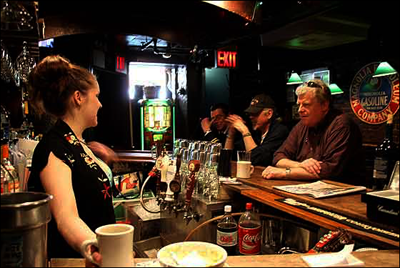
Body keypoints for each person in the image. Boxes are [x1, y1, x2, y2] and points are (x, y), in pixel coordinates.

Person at [27, 55, 118, 265]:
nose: (100, 104)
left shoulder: (76, 142)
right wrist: (94, 247)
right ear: (78, 97)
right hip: (77, 261)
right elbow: (66, 218)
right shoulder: (54, 148)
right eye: (96, 96)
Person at [262, 79, 366, 186]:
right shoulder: (302, 125)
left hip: (345, 195)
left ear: (324, 105)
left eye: (306, 105)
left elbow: (327, 170)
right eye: (299, 105)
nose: (300, 110)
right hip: (311, 190)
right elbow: (278, 157)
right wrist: (300, 165)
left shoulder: (341, 125)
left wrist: (285, 173)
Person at [224, 94, 289, 166]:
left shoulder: (280, 131)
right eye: (250, 114)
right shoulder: (256, 132)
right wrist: (231, 135)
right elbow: (228, 158)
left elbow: (256, 159)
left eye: (255, 113)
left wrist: (245, 131)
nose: (251, 117)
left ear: (269, 114)